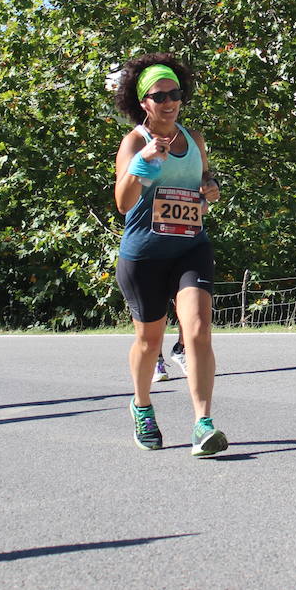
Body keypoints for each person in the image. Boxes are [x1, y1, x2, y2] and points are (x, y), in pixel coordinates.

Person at [113, 54, 227, 457]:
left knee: (197, 330)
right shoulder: (133, 142)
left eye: (174, 93)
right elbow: (124, 203)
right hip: (144, 254)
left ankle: (203, 423)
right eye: (159, 95)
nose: (169, 101)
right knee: (149, 340)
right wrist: (143, 163)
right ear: (142, 102)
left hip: (191, 247)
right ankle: (142, 406)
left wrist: (209, 189)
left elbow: (203, 183)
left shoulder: (193, 138)